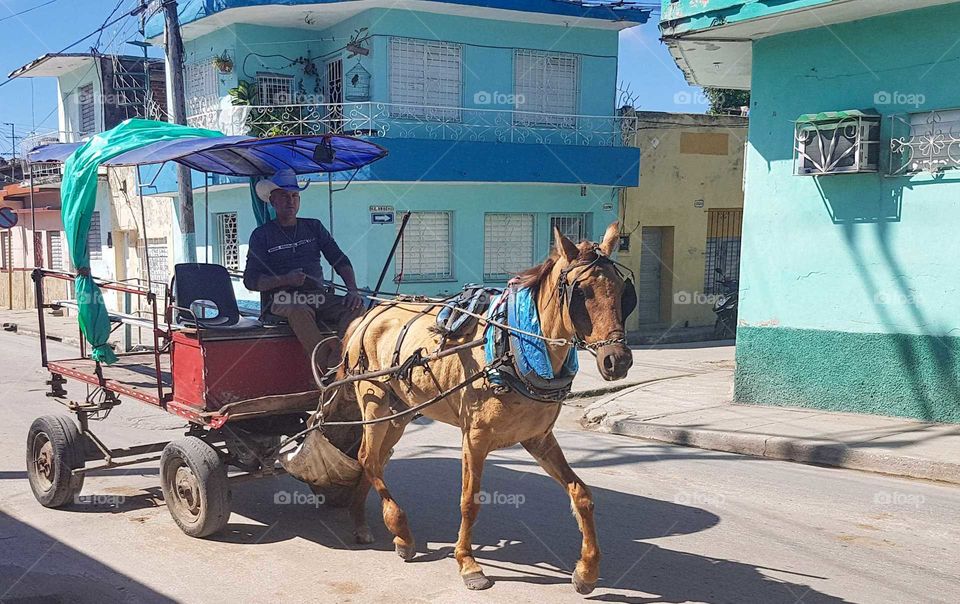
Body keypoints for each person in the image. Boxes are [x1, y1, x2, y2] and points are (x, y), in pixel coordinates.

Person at [242, 168, 364, 367]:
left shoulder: (313, 227)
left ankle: (339, 359)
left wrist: (352, 289)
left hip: (317, 296)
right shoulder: (261, 235)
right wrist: (285, 280)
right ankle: (325, 367)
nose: (291, 201)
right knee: (298, 307)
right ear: (272, 201)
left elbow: (339, 259)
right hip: (279, 299)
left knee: (356, 307)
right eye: (284, 196)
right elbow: (251, 280)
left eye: (295, 196)